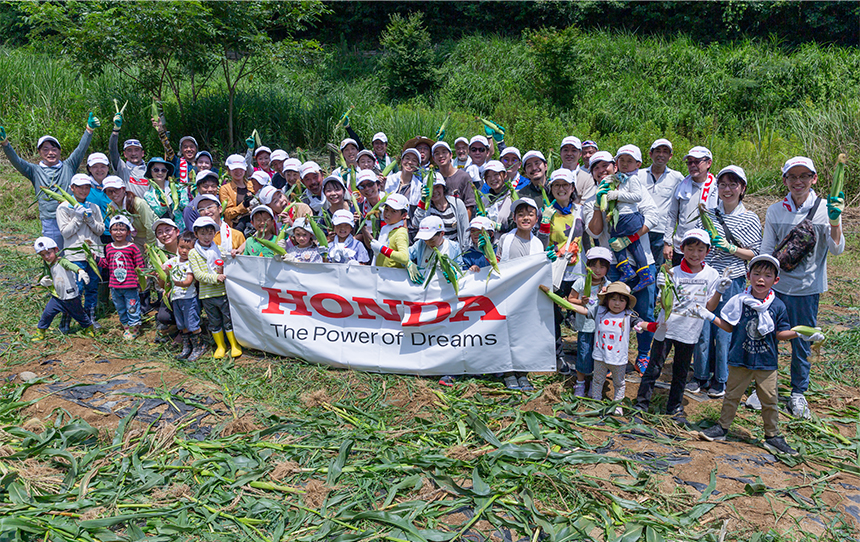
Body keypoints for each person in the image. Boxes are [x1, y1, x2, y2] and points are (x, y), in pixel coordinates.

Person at [696, 255, 824, 456]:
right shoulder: (739, 301)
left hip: (766, 362)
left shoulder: (777, 306)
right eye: (756, 274)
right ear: (748, 276)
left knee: (770, 400)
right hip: (740, 359)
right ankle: (722, 427)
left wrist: (801, 332)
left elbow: (779, 334)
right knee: (731, 396)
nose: (761, 279)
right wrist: (711, 317)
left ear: (776, 280)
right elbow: (729, 327)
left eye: (767, 275)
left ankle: (772, 436)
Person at [753, 156, 845, 419]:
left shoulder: (826, 208)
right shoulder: (775, 210)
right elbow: (767, 250)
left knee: (802, 341)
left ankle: (797, 393)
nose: (798, 181)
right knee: (767, 336)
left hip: (808, 288)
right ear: (785, 180)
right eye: (792, 176)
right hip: (778, 287)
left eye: (804, 176)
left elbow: (837, 249)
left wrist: (835, 222)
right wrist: (761, 283)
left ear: (814, 178)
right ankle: (764, 388)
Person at [688, 165, 762, 398]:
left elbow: (756, 254)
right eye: (722, 185)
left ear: (742, 188)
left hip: (733, 279)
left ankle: (721, 379)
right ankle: (700, 375)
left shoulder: (749, 219)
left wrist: (732, 248)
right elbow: (698, 246)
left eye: (733, 185)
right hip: (707, 277)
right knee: (702, 328)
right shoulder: (708, 214)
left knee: (724, 330)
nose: (727, 189)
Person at [634, 229, 724, 418]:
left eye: (700, 250)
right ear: (682, 249)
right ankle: (641, 406)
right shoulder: (672, 272)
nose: (695, 254)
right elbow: (663, 304)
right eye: (690, 249)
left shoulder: (711, 275)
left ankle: (674, 408)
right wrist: (662, 287)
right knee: (654, 368)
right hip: (666, 328)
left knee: (681, 371)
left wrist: (719, 291)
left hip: (689, 331)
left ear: (707, 251)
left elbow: (710, 307)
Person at [586, 152, 660, 374]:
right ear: (592, 174)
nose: (602, 171)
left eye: (606, 166)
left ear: (615, 167)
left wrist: (631, 238)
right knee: (612, 314)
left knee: (644, 311)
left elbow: (653, 216)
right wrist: (601, 202)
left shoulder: (631, 186)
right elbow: (595, 231)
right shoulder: (592, 198)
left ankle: (644, 354)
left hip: (642, 261)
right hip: (614, 266)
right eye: (596, 168)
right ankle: (611, 356)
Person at [1, 113, 98, 249]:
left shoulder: (69, 165)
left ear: (59, 151)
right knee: (53, 254)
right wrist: (5, 144)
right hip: (50, 220)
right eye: (45, 149)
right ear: (39, 152)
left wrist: (89, 130)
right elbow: (16, 161)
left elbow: (81, 149)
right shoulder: (34, 170)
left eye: (54, 149)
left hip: (71, 216)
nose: (50, 153)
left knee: (74, 252)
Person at [498, 197, 547, 392]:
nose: (525, 218)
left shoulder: (539, 245)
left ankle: (522, 371)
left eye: (530, 214)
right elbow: (499, 263)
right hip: (509, 294)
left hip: (528, 298)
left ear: (536, 219)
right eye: (520, 214)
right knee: (508, 332)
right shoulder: (505, 239)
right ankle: (508, 371)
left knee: (525, 334)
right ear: (514, 218)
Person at [542, 168, 586, 372]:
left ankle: (585, 355)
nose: (561, 189)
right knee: (554, 315)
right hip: (556, 270)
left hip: (577, 270)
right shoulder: (546, 211)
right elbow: (541, 242)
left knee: (580, 312)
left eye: (565, 185)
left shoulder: (581, 210)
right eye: (556, 185)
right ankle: (557, 355)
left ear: (572, 188)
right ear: (551, 188)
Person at [596, 145, 652, 290]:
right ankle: (643, 273)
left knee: (616, 240)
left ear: (638, 164)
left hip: (628, 218)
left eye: (630, 161)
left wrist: (617, 195)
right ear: (617, 163)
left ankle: (628, 270)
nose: (625, 164)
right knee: (633, 244)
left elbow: (637, 197)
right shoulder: (618, 180)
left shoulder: (632, 179)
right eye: (622, 160)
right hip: (623, 218)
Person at [588, 282, 647, 416]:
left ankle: (617, 404)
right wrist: (565, 303)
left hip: (618, 358)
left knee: (619, 382)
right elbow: (584, 311)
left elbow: (641, 323)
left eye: (621, 300)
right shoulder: (600, 312)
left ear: (626, 303)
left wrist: (650, 326)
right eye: (613, 299)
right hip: (600, 355)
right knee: (597, 379)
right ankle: (595, 402)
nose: (617, 304)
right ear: (607, 300)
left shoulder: (628, 315)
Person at [188, 215, 242, 359]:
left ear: (215, 233)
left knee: (228, 318)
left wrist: (231, 255)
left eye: (210, 233)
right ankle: (220, 346)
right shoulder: (193, 253)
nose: (207, 237)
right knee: (214, 321)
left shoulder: (219, 249)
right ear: (196, 234)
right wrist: (215, 277)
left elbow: (227, 263)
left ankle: (234, 344)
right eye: (202, 233)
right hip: (207, 295)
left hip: (223, 292)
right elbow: (198, 275)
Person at [56, 174, 104, 330]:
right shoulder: (63, 207)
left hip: (94, 252)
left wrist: (89, 218)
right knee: (76, 288)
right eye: (80, 187)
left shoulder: (94, 207)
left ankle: (90, 317)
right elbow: (66, 232)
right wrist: (77, 217)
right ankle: (68, 319)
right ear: (72, 188)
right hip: (75, 254)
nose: (83, 190)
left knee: (92, 287)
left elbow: (100, 230)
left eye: (86, 187)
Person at [31, 236, 94, 341]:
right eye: (43, 255)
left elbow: (70, 265)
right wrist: (44, 282)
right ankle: (40, 332)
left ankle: (88, 327)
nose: (46, 257)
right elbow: (46, 276)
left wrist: (80, 271)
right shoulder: (49, 265)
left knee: (79, 314)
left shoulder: (62, 261)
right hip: (57, 297)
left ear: (56, 250)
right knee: (47, 313)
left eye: (48, 253)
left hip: (71, 296)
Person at [568, 247, 612, 396]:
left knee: (600, 357)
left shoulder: (608, 285)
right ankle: (580, 383)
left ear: (607, 268)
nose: (597, 270)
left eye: (602, 266)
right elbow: (570, 299)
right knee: (584, 354)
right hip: (586, 327)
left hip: (602, 329)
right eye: (593, 265)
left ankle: (596, 383)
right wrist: (581, 301)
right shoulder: (581, 282)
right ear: (587, 266)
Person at [664, 146, 717, 267]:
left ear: (709, 163)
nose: (692, 165)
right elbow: (672, 215)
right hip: (682, 246)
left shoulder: (717, 187)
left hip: (708, 248)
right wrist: (667, 243)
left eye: (697, 161)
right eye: (690, 162)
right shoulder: (681, 186)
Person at [97, 215, 144, 340]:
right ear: (110, 231)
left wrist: (141, 281)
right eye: (115, 229)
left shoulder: (132, 247)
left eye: (122, 229)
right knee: (120, 307)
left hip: (130, 285)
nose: (118, 232)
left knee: (132, 306)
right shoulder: (108, 247)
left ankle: (134, 328)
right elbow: (107, 264)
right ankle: (126, 326)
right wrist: (95, 259)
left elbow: (140, 265)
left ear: (128, 232)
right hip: (115, 285)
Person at [640, 139, 685, 270]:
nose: (661, 155)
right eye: (658, 151)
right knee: (639, 265)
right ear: (650, 154)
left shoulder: (677, 177)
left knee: (657, 267)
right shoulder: (639, 174)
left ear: (670, 156)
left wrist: (668, 240)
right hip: (641, 229)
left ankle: (655, 291)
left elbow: (680, 206)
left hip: (661, 231)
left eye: (665, 152)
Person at [163, 231, 206, 362]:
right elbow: (163, 268)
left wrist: (175, 282)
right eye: (181, 247)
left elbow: (188, 282)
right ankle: (187, 348)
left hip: (189, 299)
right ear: (177, 246)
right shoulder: (174, 261)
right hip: (177, 299)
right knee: (182, 325)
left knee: (192, 323)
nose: (184, 251)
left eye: (188, 248)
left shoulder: (192, 263)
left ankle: (199, 346)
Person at [413, 176, 470, 254]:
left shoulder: (457, 203)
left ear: (443, 188)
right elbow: (416, 223)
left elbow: (465, 229)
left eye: (437, 187)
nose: (434, 191)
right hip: (431, 251)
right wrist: (422, 203)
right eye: (431, 188)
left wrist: (462, 252)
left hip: (453, 251)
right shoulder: (426, 206)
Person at [102, 176, 157, 255]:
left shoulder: (138, 203)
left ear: (123, 189)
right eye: (109, 191)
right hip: (135, 238)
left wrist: (151, 246)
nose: (113, 194)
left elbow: (149, 225)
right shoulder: (111, 208)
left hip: (152, 236)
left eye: (116, 190)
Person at [108, 110, 148, 198]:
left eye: (136, 150)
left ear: (142, 153)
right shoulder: (122, 168)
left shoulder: (150, 170)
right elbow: (112, 150)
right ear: (125, 154)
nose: (133, 153)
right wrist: (116, 130)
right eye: (129, 150)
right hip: (129, 210)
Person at [432, 141, 477, 218]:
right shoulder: (433, 178)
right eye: (437, 154)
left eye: (444, 152)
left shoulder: (464, 177)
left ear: (451, 155)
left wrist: (464, 227)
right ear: (433, 159)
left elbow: (469, 206)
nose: (441, 155)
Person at [152, 118, 198, 189]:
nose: (189, 149)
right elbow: (168, 148)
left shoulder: (202, 164)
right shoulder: (177, 162)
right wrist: (161, 132)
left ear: (196, 149)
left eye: (191, 146)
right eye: (185, 147)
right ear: (181, 150)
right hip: (181, 197)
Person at [143, 157, 188, 229]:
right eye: (156, 170)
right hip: (164, 231)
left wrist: (178, 201)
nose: (160, 173)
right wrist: (163, 203)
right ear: (150, 172)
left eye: (163, 170)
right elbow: (158, 213)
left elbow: (185, 206)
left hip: (181, 228)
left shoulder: (179, 187)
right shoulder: (148, 194)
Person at [368, 193, 411, 269]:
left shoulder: (400, 232)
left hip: (392, 277)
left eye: (393, 211)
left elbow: (404, 258)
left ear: (404, 215)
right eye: (386, 209)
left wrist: (382, 249)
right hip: (382, 275)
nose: (387, 214)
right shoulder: (385, 228)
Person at [479, 161, 516, 234]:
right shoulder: (484, 200)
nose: (492, 179)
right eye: (488, 176)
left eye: (496, 174)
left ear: (505, 175)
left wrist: (499, 227)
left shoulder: (512, 197)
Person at [220, 154, 255, 230]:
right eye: (234, 169)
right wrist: (243, 206)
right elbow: (228, 213)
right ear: (228, 170)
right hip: (236, 227)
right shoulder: (225, 189)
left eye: (241, 169)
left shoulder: (252, 184)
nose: (238, 172)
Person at [84, 153, 114, 239]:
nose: (99, 170)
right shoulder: (84, 186)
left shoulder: (115, 185)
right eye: (95, 167)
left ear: (108, 168)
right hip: (91, 234)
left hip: (113, 234)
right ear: (89, 169)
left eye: (103, 166)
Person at [384, 148, 422, 218]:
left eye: (414, 160)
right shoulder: (390, 180)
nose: (410, 162)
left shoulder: (419, 187)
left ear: (418, 166)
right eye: (407, 158)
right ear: (402, 161)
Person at [559, 136, 595, 204]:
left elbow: (587, 205)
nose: (569, 153)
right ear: (561, 153)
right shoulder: (553, 177)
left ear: (580, 154)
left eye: (573, 150)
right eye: (566, 150)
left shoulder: (588, 179)